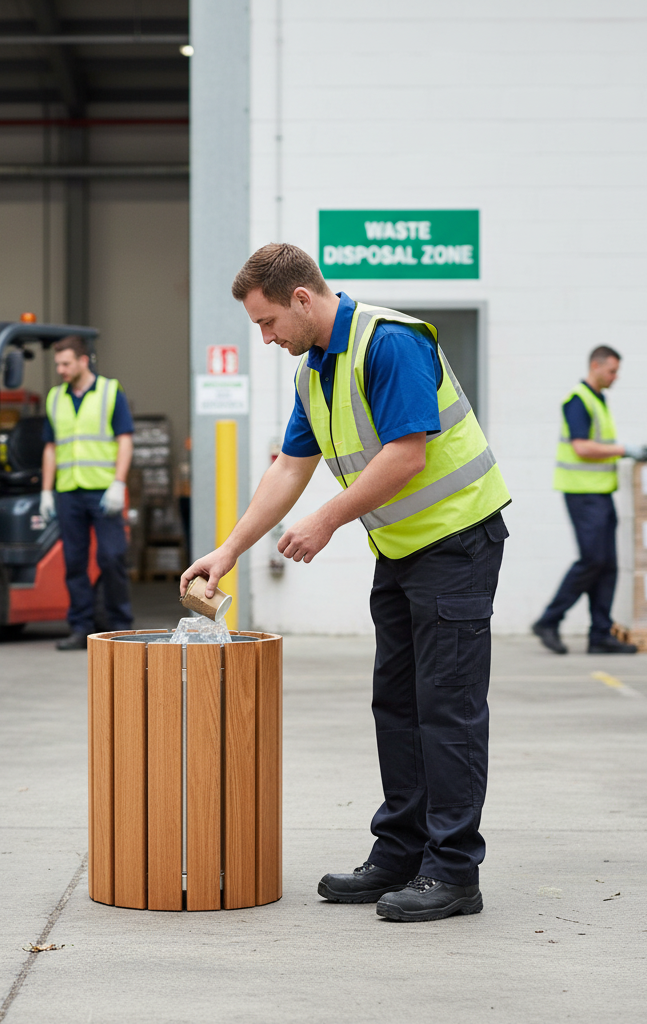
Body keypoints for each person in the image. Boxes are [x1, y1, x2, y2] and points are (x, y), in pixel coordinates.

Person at [181, 243, 511, 922]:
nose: (266, 338)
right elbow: (288, 468)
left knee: (445, 709)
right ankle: (400, 852)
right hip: (402, 550)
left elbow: (408, 454)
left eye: (268, 322)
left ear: (302, 298)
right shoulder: (316, 373)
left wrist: (326, 521)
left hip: (456, 543)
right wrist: (230, 549)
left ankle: (452, 872)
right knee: (396, 704)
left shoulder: (388, 343)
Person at [532, 346, 647, 655]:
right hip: (582, 493)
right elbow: (582, 447)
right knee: (593, 560)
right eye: (612, 370)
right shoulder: (578, 400)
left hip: (599, 492)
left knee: (609, 564)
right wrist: (625, 449)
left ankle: (600, 635)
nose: (616, 376)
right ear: (595, 366)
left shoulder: (599, 400)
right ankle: (549, 620)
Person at [40, 336, 134, 650]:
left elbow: (124, 439)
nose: (61, 369)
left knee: (112, 557)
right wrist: (46, 491)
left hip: (103, 489)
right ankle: (80, 628)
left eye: (65, 363)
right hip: (69, 492)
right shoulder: (55, 397)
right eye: (58, 364)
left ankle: (121, 626)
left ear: (84, 361)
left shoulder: (109, 391)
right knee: (74, 562)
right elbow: (51, 447)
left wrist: (119, 482)